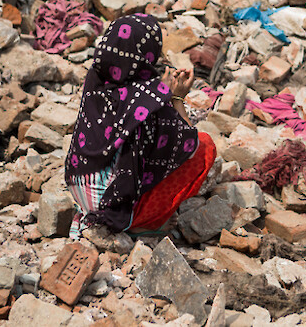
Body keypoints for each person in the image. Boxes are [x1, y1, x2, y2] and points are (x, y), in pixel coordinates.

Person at [65, 13, 216, 238]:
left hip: (79, 185)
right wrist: (176, 98)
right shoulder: (147, 101)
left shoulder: (96, 76)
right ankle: (141, 223)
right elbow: (188, 145)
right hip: (110, 209)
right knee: (205, 146)